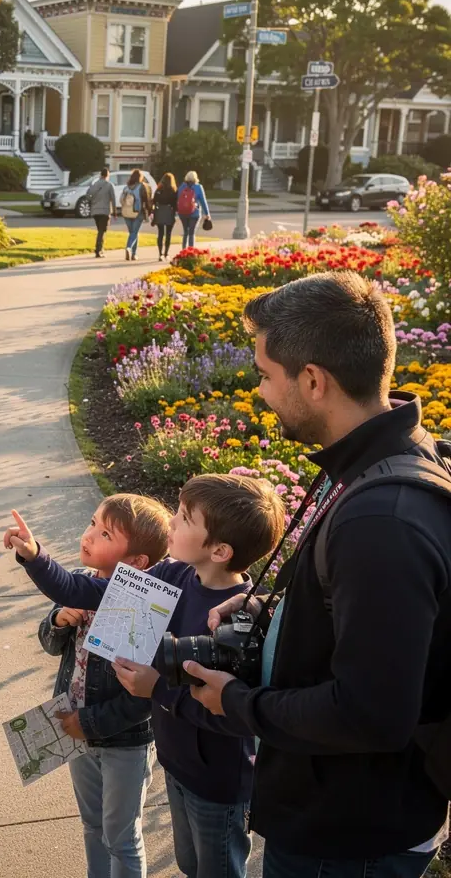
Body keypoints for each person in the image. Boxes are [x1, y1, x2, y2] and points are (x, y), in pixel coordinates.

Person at [187, 271, 451, 878]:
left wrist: (239, 704)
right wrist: (271, 614)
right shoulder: (377, 455)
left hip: (349, 838)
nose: (259, 392)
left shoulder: (383, 519)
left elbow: (371, 714)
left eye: (264, 375)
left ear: (312, 380)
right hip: (341, 812)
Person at [8, 474, 285, 878]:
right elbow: (85, 592)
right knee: (190, 864)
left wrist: (158, 690)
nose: (172, 523)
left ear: (220, 550)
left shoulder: (236, 621)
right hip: (178, 766)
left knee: (217, 870)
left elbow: (229, 711)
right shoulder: (172, 577)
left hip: (218, 781)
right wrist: (35, 556)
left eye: (186, 519)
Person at [17, 496, 171, 878]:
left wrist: (91, 723)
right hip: (75, 731)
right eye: (92, 523)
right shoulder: (80, 586)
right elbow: (51, 644)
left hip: (123, 741)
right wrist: (58, 620)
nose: (89, 536)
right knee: (92, 826)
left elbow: (141, 699)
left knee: (120, 836)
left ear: (136, 563)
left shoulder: (142, 610)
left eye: (105, 534)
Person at [176, 171, 211, 250]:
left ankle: (183, 250)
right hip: (194, 213)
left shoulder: (182, 187)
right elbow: (203, 201)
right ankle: (190, 252)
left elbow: (178, 199)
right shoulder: (198, 187)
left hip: (182, 213)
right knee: (191, 233)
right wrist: (207, 213)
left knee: (185, 232)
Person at [86, 168, 116, 259]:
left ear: (100, 175)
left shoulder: (94, 184)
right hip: (104, 211)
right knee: (102, 231)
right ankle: (98, 250)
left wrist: (93, 201)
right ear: (107, 175)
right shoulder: (109, 185)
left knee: (100, 230)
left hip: (95, 211)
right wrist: (114, 211)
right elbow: (113, 199)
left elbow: (88, 196)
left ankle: (100, 249)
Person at [120, 169, 147, 262]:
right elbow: (145, 199)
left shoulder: (126, 187)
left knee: (132, 232)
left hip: (126, 213)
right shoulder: (141, 187)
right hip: (137, 212)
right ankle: (129, 248)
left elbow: (121, 200)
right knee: (134, 233)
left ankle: (134, 254)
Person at [152, 173, 179, 261]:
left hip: (160, 211)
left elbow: (154, 201)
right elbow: (175, 204)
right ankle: (166, 253)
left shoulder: (159, 189)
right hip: (169, 212)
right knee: (168, 234)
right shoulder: (173, 190)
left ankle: (160, 254)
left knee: (160, 233)